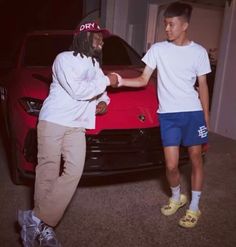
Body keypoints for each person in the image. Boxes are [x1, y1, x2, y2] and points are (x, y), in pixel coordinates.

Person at [18, 21, 118, 246]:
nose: (101, 41)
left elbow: (101, 91)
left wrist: (104, 101)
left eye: (102, 37)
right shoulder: (64, 58)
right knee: (48, 172)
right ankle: (45, 229)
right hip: (53, 120)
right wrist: (107, 81)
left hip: (77, 125)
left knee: (74, 171)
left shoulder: (94, 64)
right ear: (84, 37)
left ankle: (34, 218)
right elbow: (77, 90)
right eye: (97, 36)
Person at [115, 2, 211, 228]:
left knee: (196, 159)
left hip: (193, 113)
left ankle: (194, 206)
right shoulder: (158, 50)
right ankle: (177, 197)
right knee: (171, 166)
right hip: (168, 115)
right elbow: (142, 80)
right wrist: (119, 81)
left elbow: (203, 85)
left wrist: (206, 116)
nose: (166, 29)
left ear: (184, 25)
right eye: (165, 24)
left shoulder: (199, 52)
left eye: (171, 24)